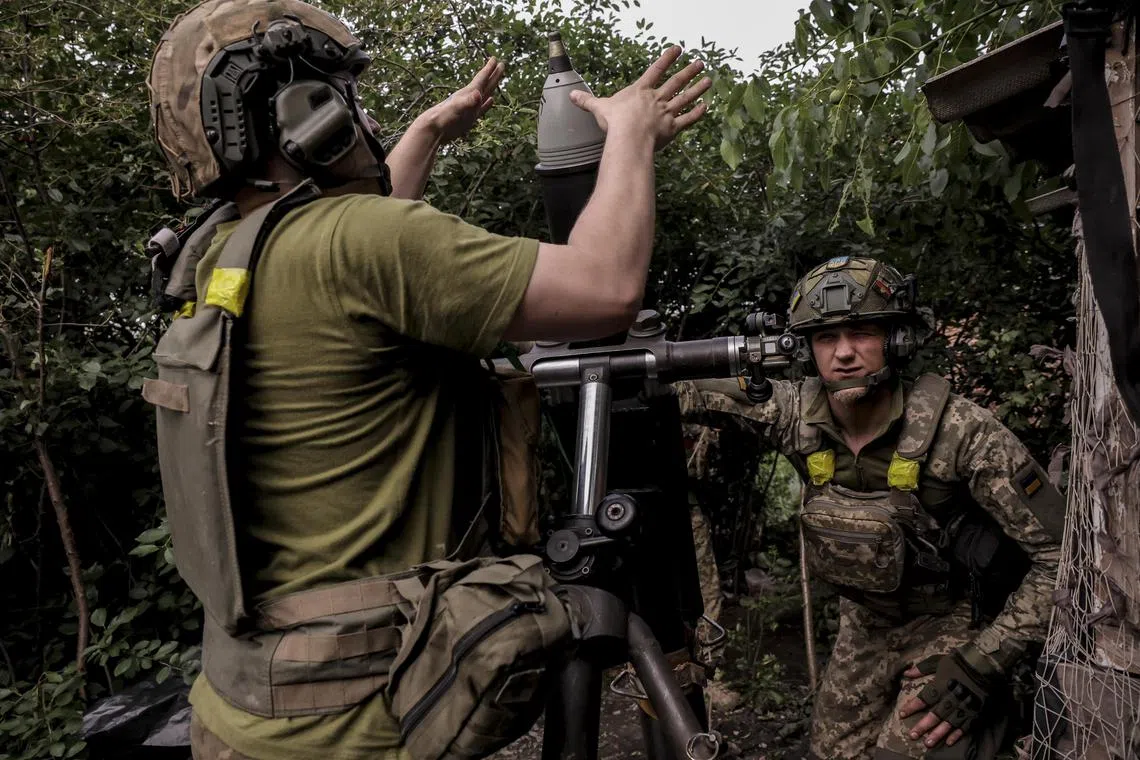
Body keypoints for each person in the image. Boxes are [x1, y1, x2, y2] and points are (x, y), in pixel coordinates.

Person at [143, 1, 710, 758]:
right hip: (360, 722)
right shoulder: (362, 242)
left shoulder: (216, 256)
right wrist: (631, 136)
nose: (364, 118)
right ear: (302, 111)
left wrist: (426, 134)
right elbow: (604, 285)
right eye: (348, 96)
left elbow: (359, 261)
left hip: (246, 710)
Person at [675, 256, 1064, 759]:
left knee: (914, 748)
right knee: (831, 752)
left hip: (947, 624)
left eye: (861, 332)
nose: (843, 354)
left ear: (898, 339)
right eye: (824, 338)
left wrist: (983, 665)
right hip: (863, 628)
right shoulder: (797, 416)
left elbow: (1059, 558)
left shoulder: (961, 431)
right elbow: (682, 391)